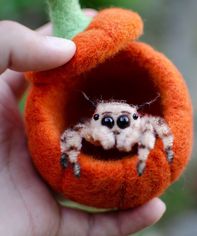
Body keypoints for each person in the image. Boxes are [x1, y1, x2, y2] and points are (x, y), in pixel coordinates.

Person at [0, 10, 166, 236]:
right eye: (107, 120)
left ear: (135, 118)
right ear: (97, 119)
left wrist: (150, 153)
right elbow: (73, 132)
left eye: (124, 120)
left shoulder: (142, 125)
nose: (115, 125)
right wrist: (73, 160)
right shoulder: (89, 129)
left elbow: (159, 126)